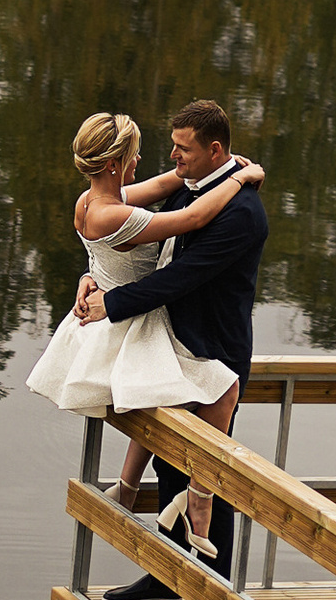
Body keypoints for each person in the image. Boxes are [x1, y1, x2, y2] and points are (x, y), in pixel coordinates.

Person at [72, 98, 269, 600]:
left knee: (209, 472)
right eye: (172, 147)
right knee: (168, 462)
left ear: (215, 150)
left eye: (182, 149)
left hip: (214, 352)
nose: (173, 157)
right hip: (172, 343)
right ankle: (166, 575)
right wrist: (96, 280)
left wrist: (108, 305)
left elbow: (179, 278)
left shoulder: (242, 213)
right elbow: (123, 234)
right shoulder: (192, 182)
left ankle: (212, 597)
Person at [24, 114, 266, 542]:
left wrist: (93, 277)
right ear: (117, 162)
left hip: (202, 338)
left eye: (181, 148)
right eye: (136, 153)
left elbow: (165, 202)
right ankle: (162, 561)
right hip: (139, 326)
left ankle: (200, 555)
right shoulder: (118, 209)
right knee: (172, 438)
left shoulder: (94, 200)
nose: (166, 158)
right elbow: (189, 220)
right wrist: (243, 175)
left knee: (209, 436)